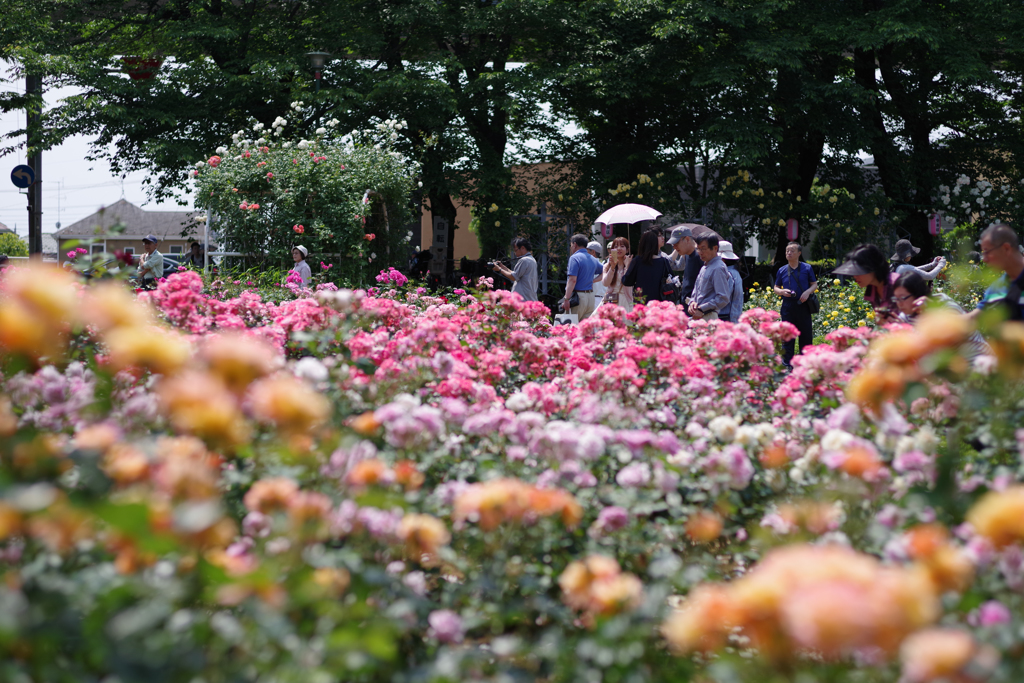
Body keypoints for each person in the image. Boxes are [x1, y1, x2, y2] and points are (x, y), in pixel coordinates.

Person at [893, 270, 990, 361]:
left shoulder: (942, 302)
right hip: (951, 369)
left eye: (902, 298)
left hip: (978, 361)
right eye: (896, 299)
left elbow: (955, 332)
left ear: (917, 294)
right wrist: (893, 328)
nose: (899, 303)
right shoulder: (905, 316)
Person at [773, 242, 818, 366]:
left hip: (803, 305)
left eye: (792, 251)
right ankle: (787, 364)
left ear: (799, 253)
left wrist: (808, 292)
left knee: (806, 336)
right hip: (788, 306)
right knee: (787, 336)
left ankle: (806, 364)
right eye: (787, 251)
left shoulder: (807, 268)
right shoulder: (781, 270)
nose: (789, 253)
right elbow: (775, 287)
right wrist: (782, 291)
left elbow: (814, 284)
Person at [833, 243, 899, 324]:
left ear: (872, 267)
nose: (854, 276)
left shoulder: (897, 284)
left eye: (858, 271)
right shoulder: (872, 289)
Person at [974, 223, 1024, 322]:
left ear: (1006, 249)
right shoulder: (995, 288)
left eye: (987, 252)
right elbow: (975, 317)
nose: (984, 259)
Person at [688, 234, 732, 321]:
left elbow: (723, 298)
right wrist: (692, 302)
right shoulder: (704, 266)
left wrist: (702, 308)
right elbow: (696, 290)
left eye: (703, 249)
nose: (700, 252)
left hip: (708, 316)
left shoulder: (718, 268)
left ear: (715, 248)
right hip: (699, 315)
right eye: (698, 249)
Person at [623, 230, 674, 303]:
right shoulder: (664, 261)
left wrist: (627, 266)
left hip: (641, 303)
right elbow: (672, 280)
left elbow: (626, 281)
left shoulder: (637, 261)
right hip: (659, 303)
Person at [562, 234, 601, 320]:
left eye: (571, 245)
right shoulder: (593, 258)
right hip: (591, 298)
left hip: (578, 298)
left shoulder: (574, 258)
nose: (571, 247)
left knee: (572, 327)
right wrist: (593, 281)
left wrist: (566, 299)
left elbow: (572, 280)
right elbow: (604, 272)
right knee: (585, 329)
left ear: (575, 244)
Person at [490, 237, 538, 302]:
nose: (515, 253)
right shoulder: (531, 259)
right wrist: (503, 267)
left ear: (523, 248)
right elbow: (516, 274)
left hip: (523, 299)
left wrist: (499, 269)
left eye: (516, 250)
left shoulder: (524, 260)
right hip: (528, 297)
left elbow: (513, 277)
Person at [667, 226, 702, 304]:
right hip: (686, 304)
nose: (674, 247)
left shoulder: (700, 256)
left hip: (697, 307)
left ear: (687, 239)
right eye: (673, 244)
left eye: (676, 242)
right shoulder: (686, 255)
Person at [601, 236, 634, 312]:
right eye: (616, 246)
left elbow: (627, 282)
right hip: (611, 300)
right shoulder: (607, 266)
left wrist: (627, 267)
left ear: (627, 250)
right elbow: (605, 283)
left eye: (622, 246)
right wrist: (612, 267)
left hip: (626, 300)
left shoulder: (632, 265)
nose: (619, 248)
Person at [719, 240, 743, 323]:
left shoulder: (727, 274)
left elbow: (723, 298)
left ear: (723, 259)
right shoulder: (735, 272)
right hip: (732, 317)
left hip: (725, 317)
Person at [587, 241, 607, 306]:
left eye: (586, 251)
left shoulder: (589, 266)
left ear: (593, 252)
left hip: (593, 300)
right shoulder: (605, 267)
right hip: (603, 300)